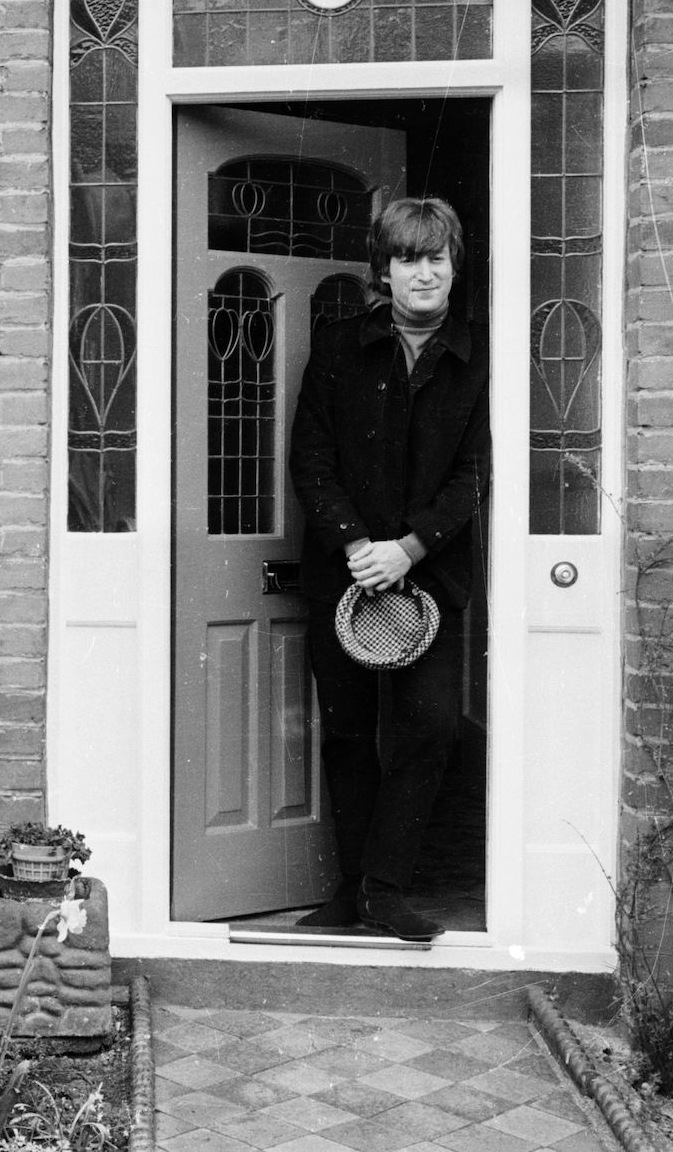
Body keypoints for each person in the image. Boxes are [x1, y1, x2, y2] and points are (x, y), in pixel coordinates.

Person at [288, 196, 491, 942]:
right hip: (343, 576)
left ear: (452, 265)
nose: (424, 272)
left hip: (428, 581)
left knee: (428, 729)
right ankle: (349, 891)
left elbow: (474, 476)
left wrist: (407, 548)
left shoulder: (475, 358)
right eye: (408, 258)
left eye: (436, 257)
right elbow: (308, 460)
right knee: (346, 731)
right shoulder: (339, 347)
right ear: (384, 269)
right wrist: (354, 547)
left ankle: (388, 887)